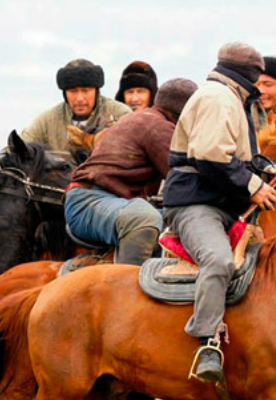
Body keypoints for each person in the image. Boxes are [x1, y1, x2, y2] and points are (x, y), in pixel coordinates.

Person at [162, 43, 276, 384]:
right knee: (218, 260)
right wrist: (254, 185)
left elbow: (237, 155)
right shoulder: (219, 98)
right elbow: (211, 156)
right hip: (196, 206)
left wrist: (268, 168)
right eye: (258, 76)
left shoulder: (232, 97)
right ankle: (207, 342)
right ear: (249, 74)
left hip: (222, 205)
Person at [66, 77, 198, 265]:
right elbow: (186, 179)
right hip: (90, 202)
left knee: (175, 222)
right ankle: (123, 289)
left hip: (101, 201)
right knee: (143, 219)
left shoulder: (142, 119)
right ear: (184, 114)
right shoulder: (159, 127)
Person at [22, 58, 131, 163]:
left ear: (96, 91)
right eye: (73, 91)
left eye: (86, 90)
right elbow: (20, 147)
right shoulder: (47, 121)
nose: (79, 98)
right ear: (65, 93)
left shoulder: (120, 114)